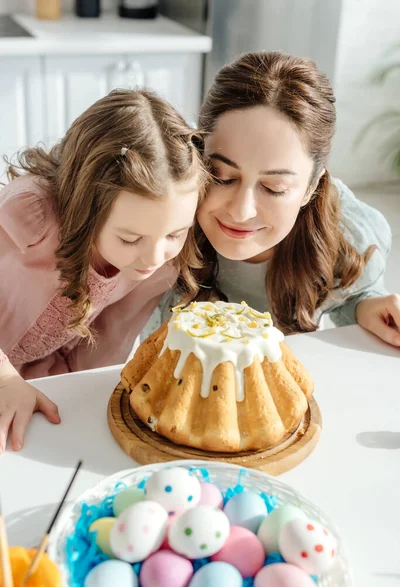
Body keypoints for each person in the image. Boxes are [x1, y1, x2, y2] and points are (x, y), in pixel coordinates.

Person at [0, 88, 206, 453]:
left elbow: (105, 344)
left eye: (175, 233)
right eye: (129, 239)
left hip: (33, 385)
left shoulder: (160, 263)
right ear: (85, 207)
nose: (152, 256)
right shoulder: (31, 216)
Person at [181, 51, 399, 345]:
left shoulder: (345, 232)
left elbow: (351, 293)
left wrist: (366, 305)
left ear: (311, 187)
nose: (241, 211)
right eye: (222, 176)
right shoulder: (164, 210)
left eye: (274, 188)